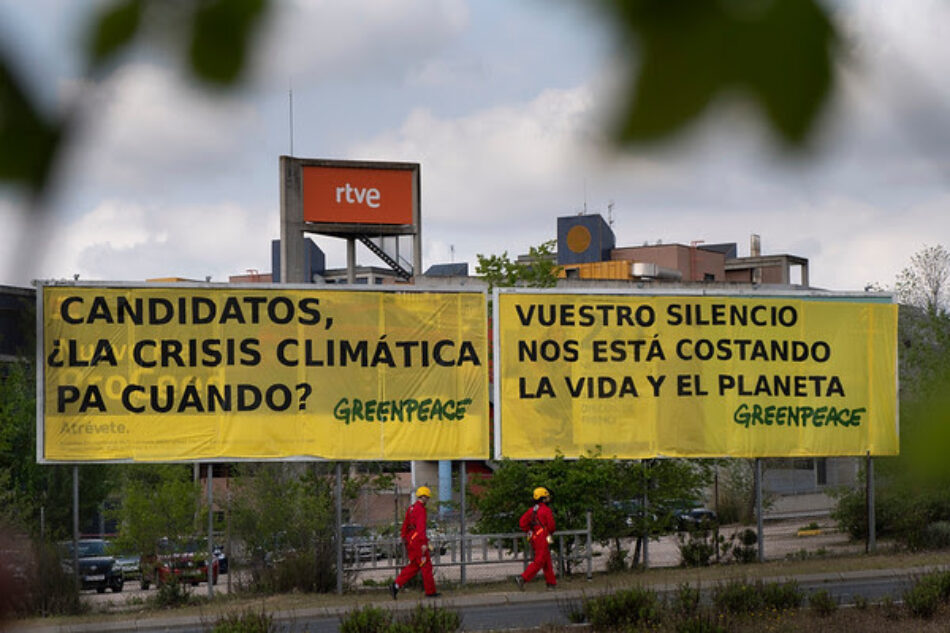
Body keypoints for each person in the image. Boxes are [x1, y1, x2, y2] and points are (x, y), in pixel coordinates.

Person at [390, 486, 440, 599]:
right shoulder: (421, 509)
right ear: (424, 497)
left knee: (414, 566)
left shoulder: (411, 508)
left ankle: (396, 585)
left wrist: (404, 537)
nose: (428, 500)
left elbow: (405, 524)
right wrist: (423, 543)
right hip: (418, 541)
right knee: (426, 566)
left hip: (410, 540)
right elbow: (421, 527)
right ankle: (430, 592)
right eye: (427, 497)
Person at [513, 486, 556, 590]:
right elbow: (551, 526)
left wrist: (529, 531)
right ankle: (523, 578)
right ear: (542, 499)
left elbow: (522, 522)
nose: (548, 499)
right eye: (546, 497)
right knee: (540, 561)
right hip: (543, 537)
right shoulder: (546, 510)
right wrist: (549, 533)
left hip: (534, 537)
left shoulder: (532, 510)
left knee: (546, 560)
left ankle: (551, 583)